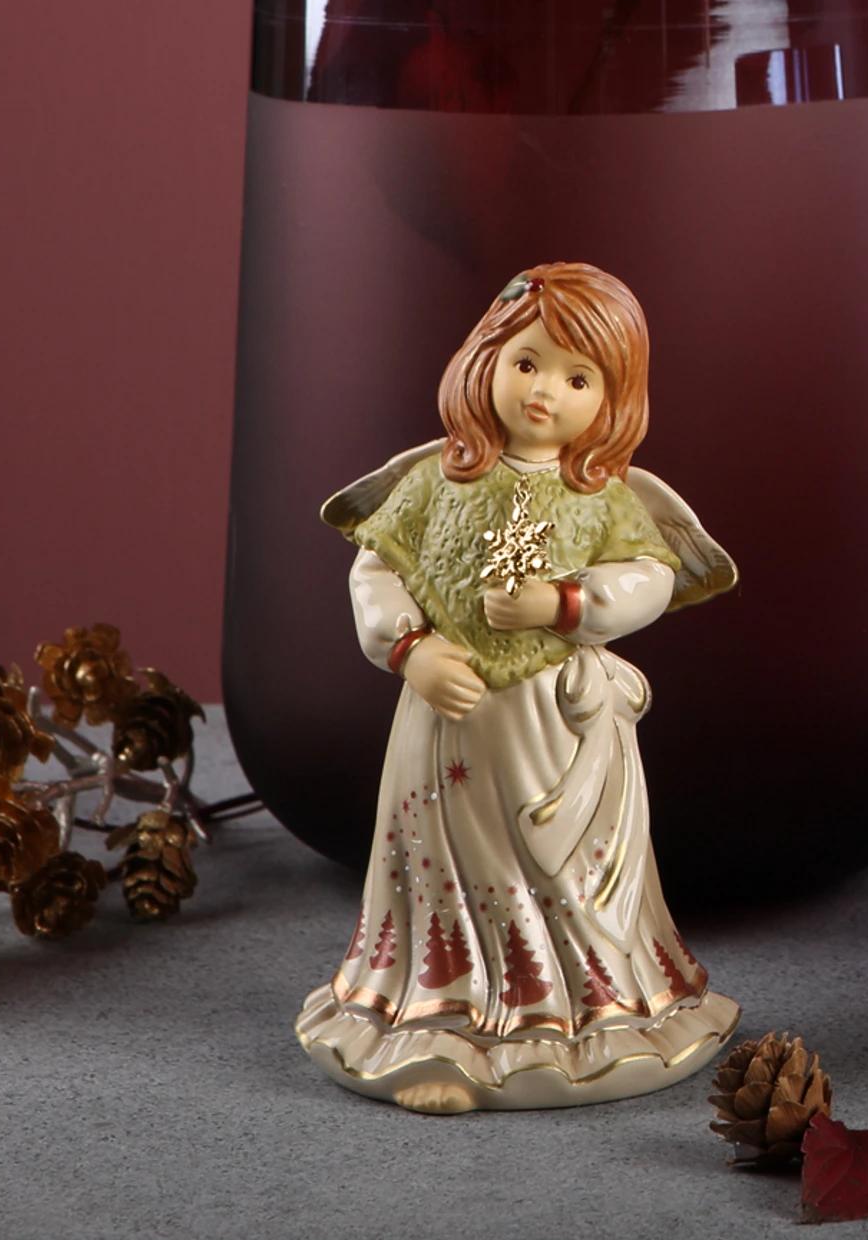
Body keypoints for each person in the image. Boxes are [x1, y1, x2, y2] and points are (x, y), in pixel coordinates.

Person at [294, 262, 740, 1112]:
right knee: (449, 866)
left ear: (611, 401)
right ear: (486, 357)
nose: (545, 392)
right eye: (527, 362)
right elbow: (376, 570)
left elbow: (648, 574)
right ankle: (445, 1020)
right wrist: (412, 650)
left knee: (565, 867)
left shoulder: (603, 494)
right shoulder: (436, 480)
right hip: (447, 719)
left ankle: (587, 1010)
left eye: (578, 379)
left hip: (557, 720)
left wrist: (567, 602)